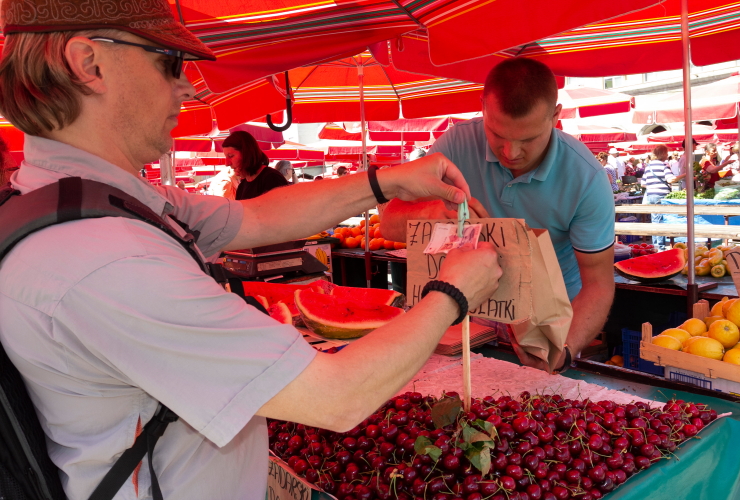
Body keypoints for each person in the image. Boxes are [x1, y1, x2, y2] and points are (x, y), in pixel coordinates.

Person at [0, 2, 504, 499]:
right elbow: (338, 396)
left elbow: (258, 217)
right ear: (89, 64)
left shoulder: (86, 197)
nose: (186, 86)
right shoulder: (106, 258)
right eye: (168, 63)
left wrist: (386, 180)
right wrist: (451, 292)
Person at [381, 57, 615, 372]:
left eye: (528, 140)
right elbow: (390, 224)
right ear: (483, 109)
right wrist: (437, 212)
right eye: (497, 135)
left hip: (544, 325)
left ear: (555, 116)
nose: (510, 153)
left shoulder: (586, 178)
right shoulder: (455, 145)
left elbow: (599, 283)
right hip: (464, 315)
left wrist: (566, 349)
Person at [222, 130, 288, 200]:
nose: (227, 163)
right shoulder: (242, 185)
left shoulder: (271, 178)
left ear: (247, 154)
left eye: (231, 156)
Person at [641, 145, 674, 248]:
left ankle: (655, 245)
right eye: (666, 153)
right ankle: (659, 246)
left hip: (651, 195)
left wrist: (652, 186)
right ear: (663, 154)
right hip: (661, 196)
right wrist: (685, 175)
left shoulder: (648, 166)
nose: (667, 155)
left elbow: (643, 183)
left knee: (655, 220)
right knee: (660, 221)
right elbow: (670, 179)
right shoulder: (664, 165)